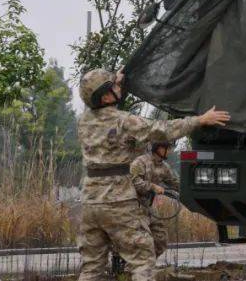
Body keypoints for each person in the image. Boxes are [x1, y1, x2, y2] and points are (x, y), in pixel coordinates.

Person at [76, 68, 230, 281]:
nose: (118, 87)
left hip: (89, 202)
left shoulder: (84, 122)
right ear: (105, 95)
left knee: (91, 268)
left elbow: (99, 102)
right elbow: (161, 130)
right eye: (113, 86)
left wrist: (114, 80)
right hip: (117, 201)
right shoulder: (123, 121)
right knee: (142, 260)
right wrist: (200, 120)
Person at [130, 141, 179, 263]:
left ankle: (145, 265)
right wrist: (152, 187)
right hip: (133, 206)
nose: (170, 151)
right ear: (159, 149)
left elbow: (175, 183)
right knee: (142, 241)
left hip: (148, 206)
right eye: (168, 148)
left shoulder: (164, 167)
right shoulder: (140, 162)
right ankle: (133, 267)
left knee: (160, 239)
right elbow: (133, 182)